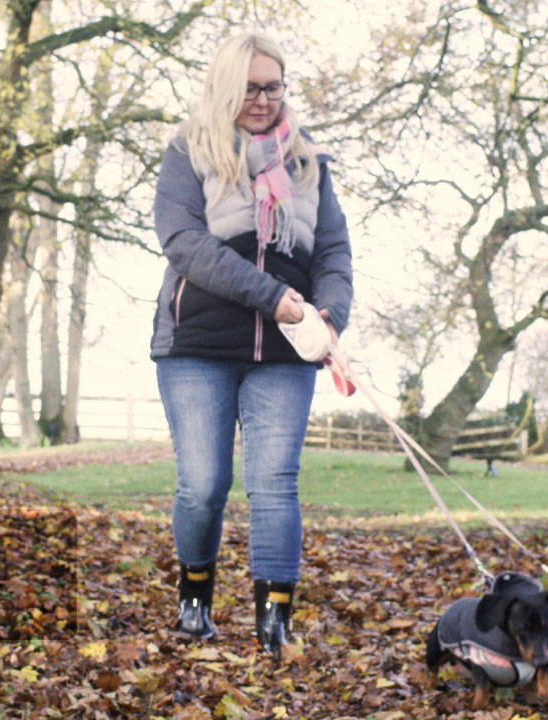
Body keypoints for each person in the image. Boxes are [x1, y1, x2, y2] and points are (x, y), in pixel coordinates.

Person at [149, 31, 353, 656]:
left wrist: (329, 314)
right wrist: (273, 296)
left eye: (273, 87)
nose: (263, 100)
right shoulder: (189, 150)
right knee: (204, 484)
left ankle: (274, 623)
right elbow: (184, 242)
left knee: (274, 483)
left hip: (286, 350)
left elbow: (333, 251)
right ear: (223, 88)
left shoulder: (308, 160)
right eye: (249, 89)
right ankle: (194, 599)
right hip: (198, 343)